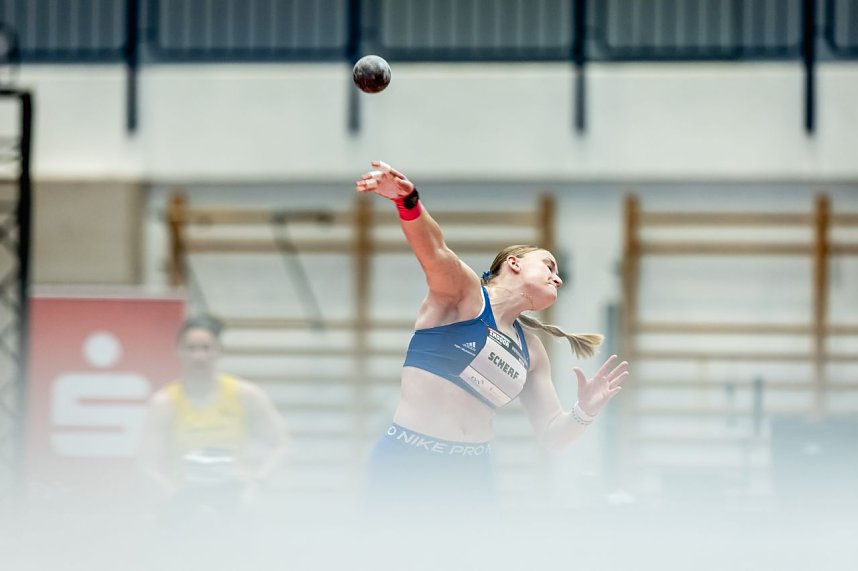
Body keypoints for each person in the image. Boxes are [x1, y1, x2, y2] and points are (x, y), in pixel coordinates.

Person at [356, 161, 629, 516]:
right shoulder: (463, 297)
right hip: (410, 463)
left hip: (473, 475)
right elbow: (434, 249)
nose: (557, 279)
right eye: (549, 266)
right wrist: (408, 201)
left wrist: (584, 412)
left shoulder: (531, 350)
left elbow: (552, 434)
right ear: (514, 263)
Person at [138, 315, 289, 522]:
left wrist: (257, 485)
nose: (198, 356)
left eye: (206, 348)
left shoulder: (245, 395)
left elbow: (281, 443)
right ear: (178, 352)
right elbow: (146, 465)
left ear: (218, 351)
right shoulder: (164, 403)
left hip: (235, 501)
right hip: (184, 502)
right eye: (190, 348)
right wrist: (177, 501)